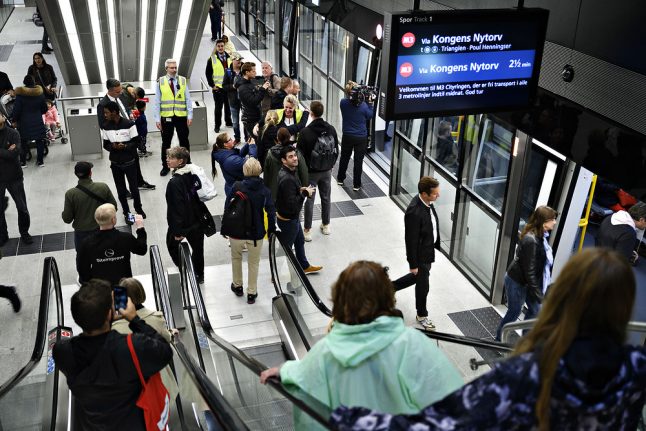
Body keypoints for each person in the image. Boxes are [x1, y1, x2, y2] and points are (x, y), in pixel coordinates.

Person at [331, 249, 646, 430]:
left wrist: (348, 417)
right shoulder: (636, 368)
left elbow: (443, 425)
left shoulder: (528, 375)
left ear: (561, 297)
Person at [260, 261, 462, 431]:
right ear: (387, 297)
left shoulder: (327, 351)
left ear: (340, 300)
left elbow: (306, 375)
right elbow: (454, 405)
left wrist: (284, 371)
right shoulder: (411, 344)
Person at [53, 279, 172, 429]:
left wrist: (105, 319)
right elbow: (165, 351)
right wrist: (134, 319)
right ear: (110, 313)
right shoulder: (132, 347)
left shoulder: (62, 352)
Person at [112, 277, 180, 402]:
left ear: (120, 297)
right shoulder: (156, 318)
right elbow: (164, 339)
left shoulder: (114, 326)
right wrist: (170, 333)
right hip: (159, 378)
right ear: (141, 293)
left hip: (130, 382)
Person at [495, 205, 557, 341]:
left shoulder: (541, 236)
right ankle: (499, 339)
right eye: (553, 219)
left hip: (528, 282)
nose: (555, 222)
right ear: (544, 221)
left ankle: (525, 342)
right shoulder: (532, 240)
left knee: (535, 311)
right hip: (517, 281)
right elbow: (529, 272)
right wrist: (539, 294)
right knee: (514, 312)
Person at [391, 176, 442, 331]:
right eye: (435, 194)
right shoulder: (414, 212)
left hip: (427, 250)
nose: (438, 196)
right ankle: (422, 315)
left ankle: (388, 287)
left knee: (417, 278)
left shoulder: (427, 202)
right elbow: (410, 240)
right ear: (425, 194)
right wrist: (413, 264)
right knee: (423, 285)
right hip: (420, 255)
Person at [225, 158, 276, 304]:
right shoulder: (265, 190)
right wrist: (270, 229)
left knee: (236, 258)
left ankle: (237, 285)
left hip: (236, 232)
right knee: (254, 263)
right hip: (256, 233)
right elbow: (271, 212)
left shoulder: (236, 186)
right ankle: (251, 293)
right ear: (259, 170)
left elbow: (228, 207)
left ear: (244, 170)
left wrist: (226, 228)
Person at [98, 78, 155, 191]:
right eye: (117, 92)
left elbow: (126, 109)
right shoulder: (103, 104)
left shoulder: (121, 96)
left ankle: (139, 182)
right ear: (110, 90)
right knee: (120, 166)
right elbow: (103, 124)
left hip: (129, 135)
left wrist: (130, 115)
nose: (120, 93)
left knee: (135, 160)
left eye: (121, 91)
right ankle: (124, 191)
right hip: (118, 139)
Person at [62, 161, 118, 276]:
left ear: (76, 174)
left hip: (82, 234)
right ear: (90, 173)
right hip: (102, 230)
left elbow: (67, 219)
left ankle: (85, 281)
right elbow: (114, 207)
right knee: (104, 255)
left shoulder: (70, 194)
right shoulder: (102, 187)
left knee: (83, 258)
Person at [275, 145, 321, 273]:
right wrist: (305, 194)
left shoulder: (288, 172)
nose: (295, 158)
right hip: (288, 221)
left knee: (300, 241)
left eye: (295, 155)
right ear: (283, 160)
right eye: (290, 157)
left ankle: (304, 266)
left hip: (292, 219)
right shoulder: (287, 178)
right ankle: (276, 273)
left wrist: (300, 190)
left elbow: (289, 194)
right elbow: (292, 205)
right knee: (286, 249)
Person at [78, 203, 147, 284]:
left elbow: (82, 267)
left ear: (97, 220)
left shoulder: (87, 242)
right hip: (122, 285)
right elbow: (142, 250)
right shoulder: (125, 238)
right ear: (113, 220)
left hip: (100, 287)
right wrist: (140, 228)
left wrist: (90, 283)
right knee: (121, 297)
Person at [299, 101, 338, 241]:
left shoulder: (305, 132)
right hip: (327, 170)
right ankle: (326, 224)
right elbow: (336, 150)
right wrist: (331, 164)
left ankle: (307, 230)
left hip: (311, 172)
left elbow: (300, 155)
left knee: (310, 200)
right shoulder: (331, 129)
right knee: (326, 197)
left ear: (311, 113)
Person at [101, 101, 146, 223]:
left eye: (106, 113)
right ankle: (126, 212)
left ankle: (138, 209)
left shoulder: (130, 124)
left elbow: (136, 142)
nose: (105, 115)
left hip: (129, 162)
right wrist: (113, 147)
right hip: (115, 163)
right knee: (120, 190)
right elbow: (105, 144)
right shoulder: (105, 126)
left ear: (114, 112)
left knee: (134, 188)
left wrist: (124, 147)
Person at [165, 146, 205, 285]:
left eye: (171, 158)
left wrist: (177, 231)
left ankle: (185, 268)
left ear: (180, 161)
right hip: (197, 219)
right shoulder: (190, 174)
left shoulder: (174, 182)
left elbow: (176, 208)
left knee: (172, 245)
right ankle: (199, 275)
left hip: (184, 223)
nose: (167, 160)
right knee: (198, 248)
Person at [155, 59, 193, 176]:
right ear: (166, 69)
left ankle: (187, 163)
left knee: (184, 141)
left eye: (175, 67)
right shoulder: (160, 82)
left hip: (181, 116)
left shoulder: (182, 80)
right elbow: (157, 102)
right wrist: (157, 119)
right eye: (172, 68)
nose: (174, 70)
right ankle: (165, 166)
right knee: (166, 143)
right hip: (166, 117)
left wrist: (190, 115)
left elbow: (188, 99)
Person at [0, 113, 32, 245]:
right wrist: (6, 150)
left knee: (22, 207)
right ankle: (3, 234)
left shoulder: (13, 133)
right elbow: (9, 153)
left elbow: (15, 153)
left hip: (14, 177)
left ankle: (24, 232)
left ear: (2, 116)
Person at [337, 80, 374, 191]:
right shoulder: (363, 106)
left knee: (344, 157)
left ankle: (340, 179)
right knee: (358, 161)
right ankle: (356, 184)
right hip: (360, 137)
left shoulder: (343, 103)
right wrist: (370, 104)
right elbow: (369, 116)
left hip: (347, 135)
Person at [263, 127, 308, 202]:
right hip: (294, 190)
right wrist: (305, 187)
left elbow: (267, 175)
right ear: (289, 136)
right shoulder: (295, 153)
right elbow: (303, 171)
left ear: (277, 138)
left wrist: (266, 190)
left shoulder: (270, 154)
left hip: (275, 192)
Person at [12, 75, 48, 167]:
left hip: (24, 123)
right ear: (34, 82)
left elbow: (16, 110)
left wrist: (14, 120)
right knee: (39, 141)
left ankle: (23, 162)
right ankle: (40, 161)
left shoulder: (20, 95)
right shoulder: (39, 94)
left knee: (23, 142)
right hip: (37, 121)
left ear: (24, 83)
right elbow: (44, 109)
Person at [211, 132, 258, 202]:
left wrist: (247, 145)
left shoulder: (224, 153)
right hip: (239, 192)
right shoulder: (230, 161)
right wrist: (252, 146)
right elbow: (252, 163)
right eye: (230, 140)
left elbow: (238, 155)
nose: (232, 140)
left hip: (233, 186)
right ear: (225, 144)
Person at [205, 39, 232, 133]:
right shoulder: (212, 59)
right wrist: (212, 85)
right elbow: (208, 74)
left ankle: (228, 122)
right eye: (219, 46)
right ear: (216, 47)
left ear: (224, 47)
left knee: (228, 106)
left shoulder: (229, 58)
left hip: (228, 87)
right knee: (218, 108)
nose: (220, 48)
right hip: (218, 88)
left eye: (222, 46)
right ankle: (217, 125)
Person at [238, 61, 269, 140]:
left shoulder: (249, 82)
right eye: (253, 71)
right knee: (257, 140)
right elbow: (254, 101)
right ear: (247, 72)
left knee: (255, 140)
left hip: (255, 117)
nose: (255, 73)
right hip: (250, 120)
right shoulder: (243, 88)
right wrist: (262, 89)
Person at [221, 52, 243, 143]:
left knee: (245, 120)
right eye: (237, 60)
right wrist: (233, 87)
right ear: (233, 60)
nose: (239, 61)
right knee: (235, 121)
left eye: (240, 60)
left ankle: (247, 138)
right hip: (233, 101)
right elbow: (224, 86)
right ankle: (237, 138)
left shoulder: (244, 71)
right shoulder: (228, 72)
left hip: (244, 100)